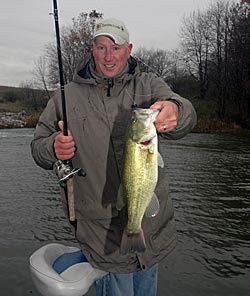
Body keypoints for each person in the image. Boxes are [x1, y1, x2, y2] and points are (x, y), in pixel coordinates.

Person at [31, 17, 197, 296]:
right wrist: (53, 148)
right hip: (102, 237)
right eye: (101, 47)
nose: (109, 56)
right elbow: (38, 147)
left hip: (151, 232)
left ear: (129, 49)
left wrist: (175, 111)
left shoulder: (148, 84)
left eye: (116, 47)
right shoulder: (65, 97)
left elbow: (185, 113)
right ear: (92, 50)